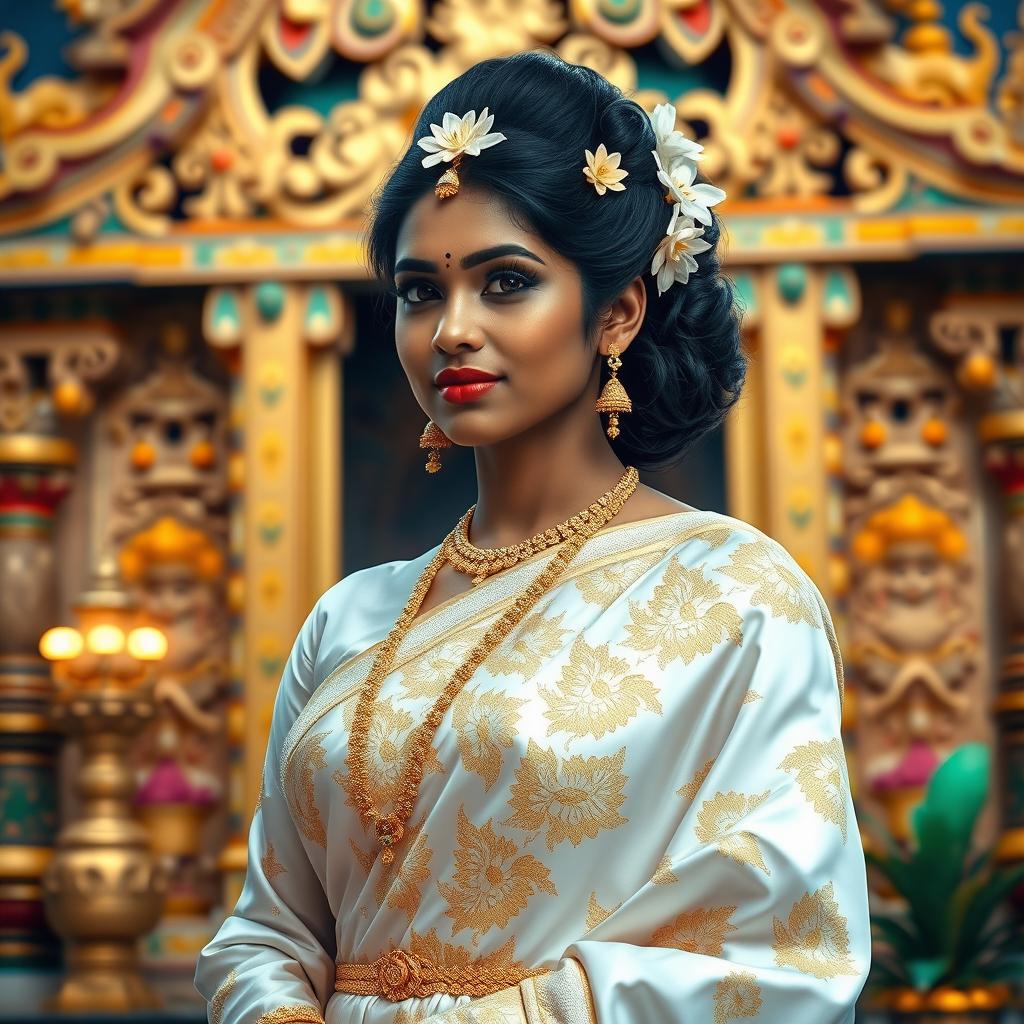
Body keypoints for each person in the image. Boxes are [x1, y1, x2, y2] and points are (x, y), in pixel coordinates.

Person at [195, 50, 870, 1024]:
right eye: (422, 291)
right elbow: (267, 930)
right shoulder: (351, 616)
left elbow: (775, 959)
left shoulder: (737, 596)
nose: (450, 330)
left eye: (505, 283)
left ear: (618, 312)